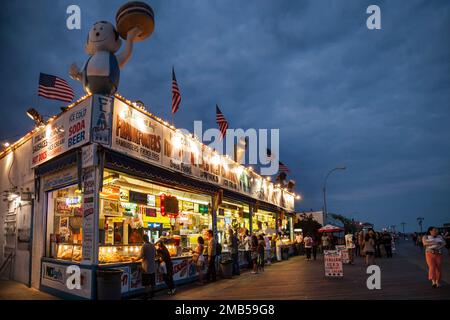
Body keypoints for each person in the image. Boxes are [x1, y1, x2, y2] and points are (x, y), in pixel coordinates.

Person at [133, 235, 155, 300]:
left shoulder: (144, 246)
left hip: (146, 267)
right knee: (152, 282)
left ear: (143, 239)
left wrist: (135, 259)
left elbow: (141, 256)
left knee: (147, 283)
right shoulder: (152, 245)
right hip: (153, 266)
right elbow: (155, 254)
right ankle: (152, 294)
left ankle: (146, 296)